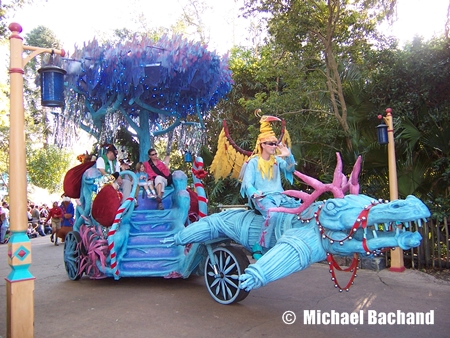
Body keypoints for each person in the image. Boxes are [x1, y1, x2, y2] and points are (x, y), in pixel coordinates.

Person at [240, 115, 300, 260]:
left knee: (300, 209)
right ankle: (259, 245)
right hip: (263, 197)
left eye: (275, 143)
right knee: (272, 214)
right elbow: (248, 183)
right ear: (262, 145)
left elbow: (290, 169)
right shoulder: (253, 162)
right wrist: (254, 193)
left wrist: (288, 155)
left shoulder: (277, 160)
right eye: (271, 144)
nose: (275, 146)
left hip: (280, 196)